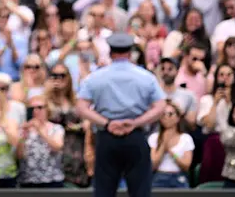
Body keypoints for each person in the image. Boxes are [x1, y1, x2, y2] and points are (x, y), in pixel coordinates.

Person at [75, 32, 166, 197]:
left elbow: (81, 107)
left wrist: (106, 122)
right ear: (130, 53)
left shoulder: (96, 77)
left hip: (107, 136)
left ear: (110, 52)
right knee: (140, 192)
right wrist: (136, 122)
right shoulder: (146, 77)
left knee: (104, 191)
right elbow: (160, 106)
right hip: (135, 135)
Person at [148, 100, 193, 188]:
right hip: (159, 176)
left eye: (170, 114)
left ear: (178, 117)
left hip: (179, 176)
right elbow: (153, 165)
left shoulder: (186, 138)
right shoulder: (154, 137)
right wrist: (163, 144)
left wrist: (172, 153)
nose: (166, 117)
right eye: (163, 114)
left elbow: (186, 166)